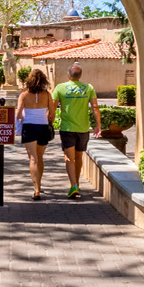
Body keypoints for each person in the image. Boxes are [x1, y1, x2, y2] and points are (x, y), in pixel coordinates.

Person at [52, 63, 101, 199]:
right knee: (79, 157)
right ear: (80, 76)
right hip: (83, 128)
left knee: (69, 157)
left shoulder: (60, 88)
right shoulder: (88, 87)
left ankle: (74, 185)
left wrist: (49, 122)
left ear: (68, 75)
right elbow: (95, 107)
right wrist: (98, 125)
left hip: (67, 128)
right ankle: (76, 183)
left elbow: (52, 108)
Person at [17, 68, 57, 199]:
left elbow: (18, 115)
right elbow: (52, 114)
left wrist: (23, 118)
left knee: (33, 158)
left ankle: (36, 190)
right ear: (43, 80)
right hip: (43, 127)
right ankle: (39, 185)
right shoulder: (47, 95)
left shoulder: (24, 95)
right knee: (39, 157)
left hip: (29, 127)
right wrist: (48, 121)